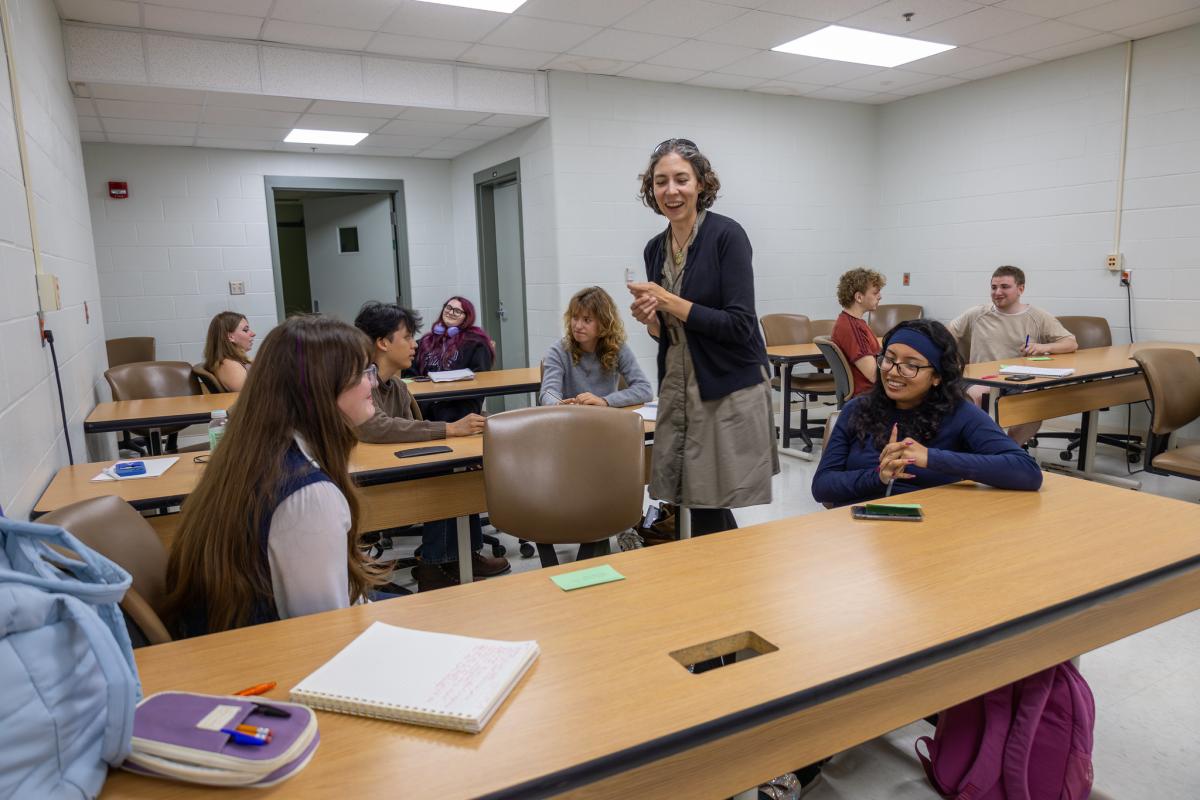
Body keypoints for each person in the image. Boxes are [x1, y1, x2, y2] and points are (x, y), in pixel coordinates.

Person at [163, 315, 386, 636]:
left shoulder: (250, 453)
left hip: (234, 640)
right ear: (323, 387)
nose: (373, 384)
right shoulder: (308, 495)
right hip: (270, 660)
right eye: (364, 372)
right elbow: (324, 632)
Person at [627, 138, 778, 537]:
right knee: (689, 492)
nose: (671, 191)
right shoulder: (654, 248)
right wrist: (651, 319)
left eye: (681, 179)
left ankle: (725, 579)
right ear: (651, 189)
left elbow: (740, 325)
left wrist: (668, 301)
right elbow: (671, 331)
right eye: (661, 182)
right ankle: (717, 575)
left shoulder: (727, 236)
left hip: (726, 385)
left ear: (700, 185)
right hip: (679, 382)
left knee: (710, 494)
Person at [352, 301, 508, 592]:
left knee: (460, 470)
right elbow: (376, 427)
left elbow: (412, 430)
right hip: (366, 479)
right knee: (445, 480)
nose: (415, 345)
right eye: (408, 337)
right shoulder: (358, 383)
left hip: (393, 465)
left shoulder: (396, 387)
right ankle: (435, 563)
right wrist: (449, 429)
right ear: (383, 342)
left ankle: (462, 555)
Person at [812, 319, 1043, 507]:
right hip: (858, 534)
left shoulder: (959, 414)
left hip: (932, 532)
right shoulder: (857, 409)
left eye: (911, 365)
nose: (893, 372)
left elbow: (1027, 472)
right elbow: (822, 486)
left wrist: (930, 457)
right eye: (889, 360)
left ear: (936, 377)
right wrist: (880, 477)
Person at [947, 265, 1077, 445]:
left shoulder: (1038, 316)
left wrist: (1041, 347)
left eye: (1005, 287)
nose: (997, 292)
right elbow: (947, 334)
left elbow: (1070, 343)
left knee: (1034, 402)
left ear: (1021, 289)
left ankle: (1010, 449)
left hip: (1018, 379)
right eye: (994, 287)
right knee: (980, 395)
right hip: (980, 379)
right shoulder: (977, 313)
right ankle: (989, 448)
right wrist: (951, 359)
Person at [540, 286, 653, 408]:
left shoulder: (617, 347)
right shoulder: (558, 351)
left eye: (586, 320)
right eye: (575, 317)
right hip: (571, 420)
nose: (578, 326)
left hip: (606, 420)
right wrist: (558, 404)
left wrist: (605, 401)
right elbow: (548, 392)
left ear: (603, 323)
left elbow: (644, 390)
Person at [410, 296, 494, 422]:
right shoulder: (425, 341)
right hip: (426, 401)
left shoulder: (476, 343)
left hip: (459, 403)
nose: (450, 312)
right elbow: (410, 371)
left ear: (467, 317)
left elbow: (480, 378)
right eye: (448, 307)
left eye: (457, 311)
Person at [831, 267, 885, 398]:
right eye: (875, 293)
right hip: (870, 395)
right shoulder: (852, 328)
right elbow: (873, 375)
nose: (880, 296)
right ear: (859, 297)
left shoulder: (849, 322)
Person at [202, 311, 255, 391]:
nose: (253, 334)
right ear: (230, 337)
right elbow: (249, 395)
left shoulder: (233, 361)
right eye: (245, 330)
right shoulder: (229, 365)